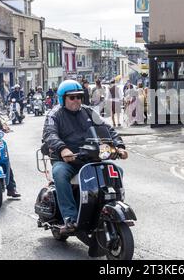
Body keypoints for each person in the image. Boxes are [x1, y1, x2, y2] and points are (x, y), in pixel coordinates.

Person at [42, 80, 128, 234]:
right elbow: (50, 133)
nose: (77, 100)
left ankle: (110, 206)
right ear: (63, 98)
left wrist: (119, 146)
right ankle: (70, 218)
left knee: (116, 170)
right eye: (72, 97)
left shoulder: (88, 112)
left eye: (79, 97)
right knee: (60, 173)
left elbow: (108, 128)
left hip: (91, 158)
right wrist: (63, 149)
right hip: (68, 160)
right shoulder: (54, 114)